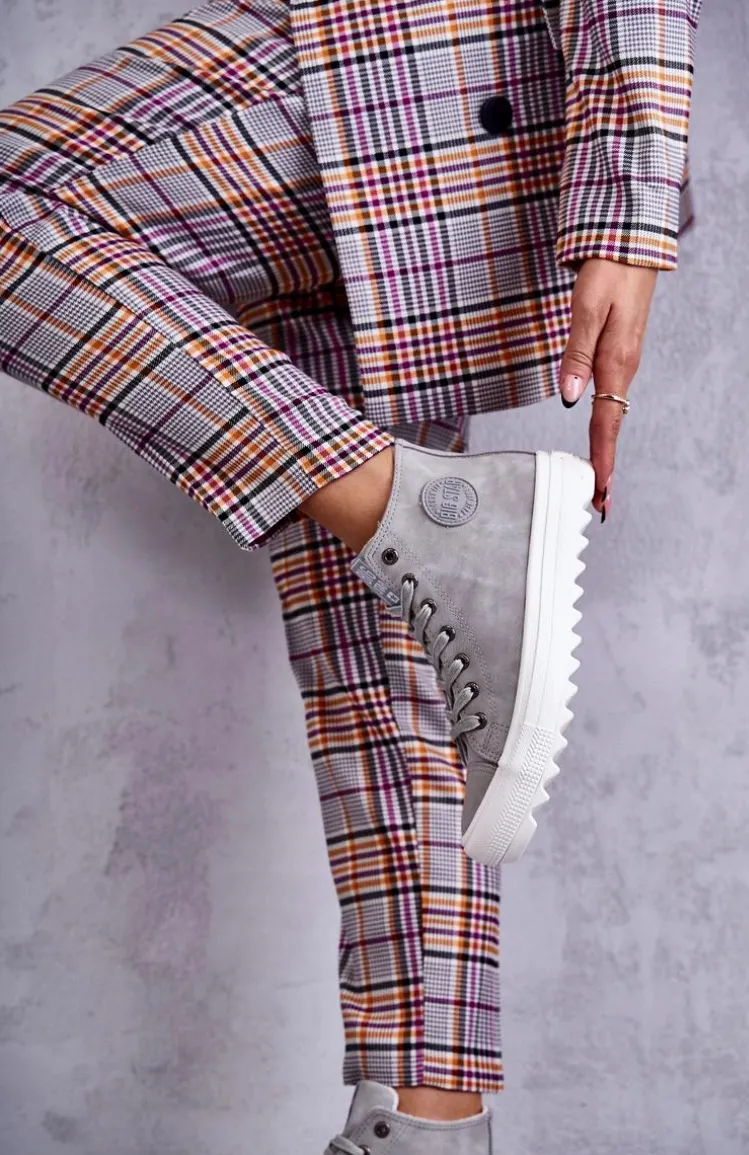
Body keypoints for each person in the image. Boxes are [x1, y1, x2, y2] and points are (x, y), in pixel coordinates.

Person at [0, 0, 701, 1151]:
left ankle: (437, 518)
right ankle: (428, 1127)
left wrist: (631, 188)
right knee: (387, 652)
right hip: (406, 102)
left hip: (421, 62)